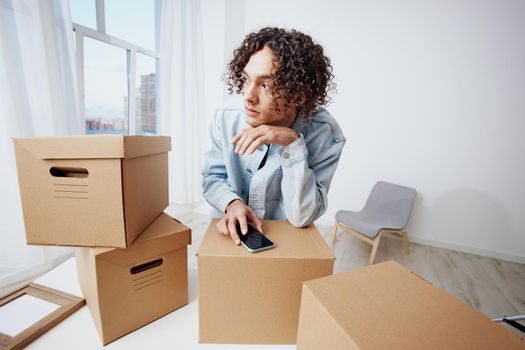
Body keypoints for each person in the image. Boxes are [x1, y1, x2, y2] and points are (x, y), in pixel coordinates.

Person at [202, 27, 346, 245]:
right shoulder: (225, 117)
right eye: (246, 79)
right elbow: (212, 178)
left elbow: (303, 216)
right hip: (227, 235)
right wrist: (232, 203)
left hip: (285, 243)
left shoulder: (327, 136)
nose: (249, 97)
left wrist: (293, 145)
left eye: (266, 85)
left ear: (299, 95)